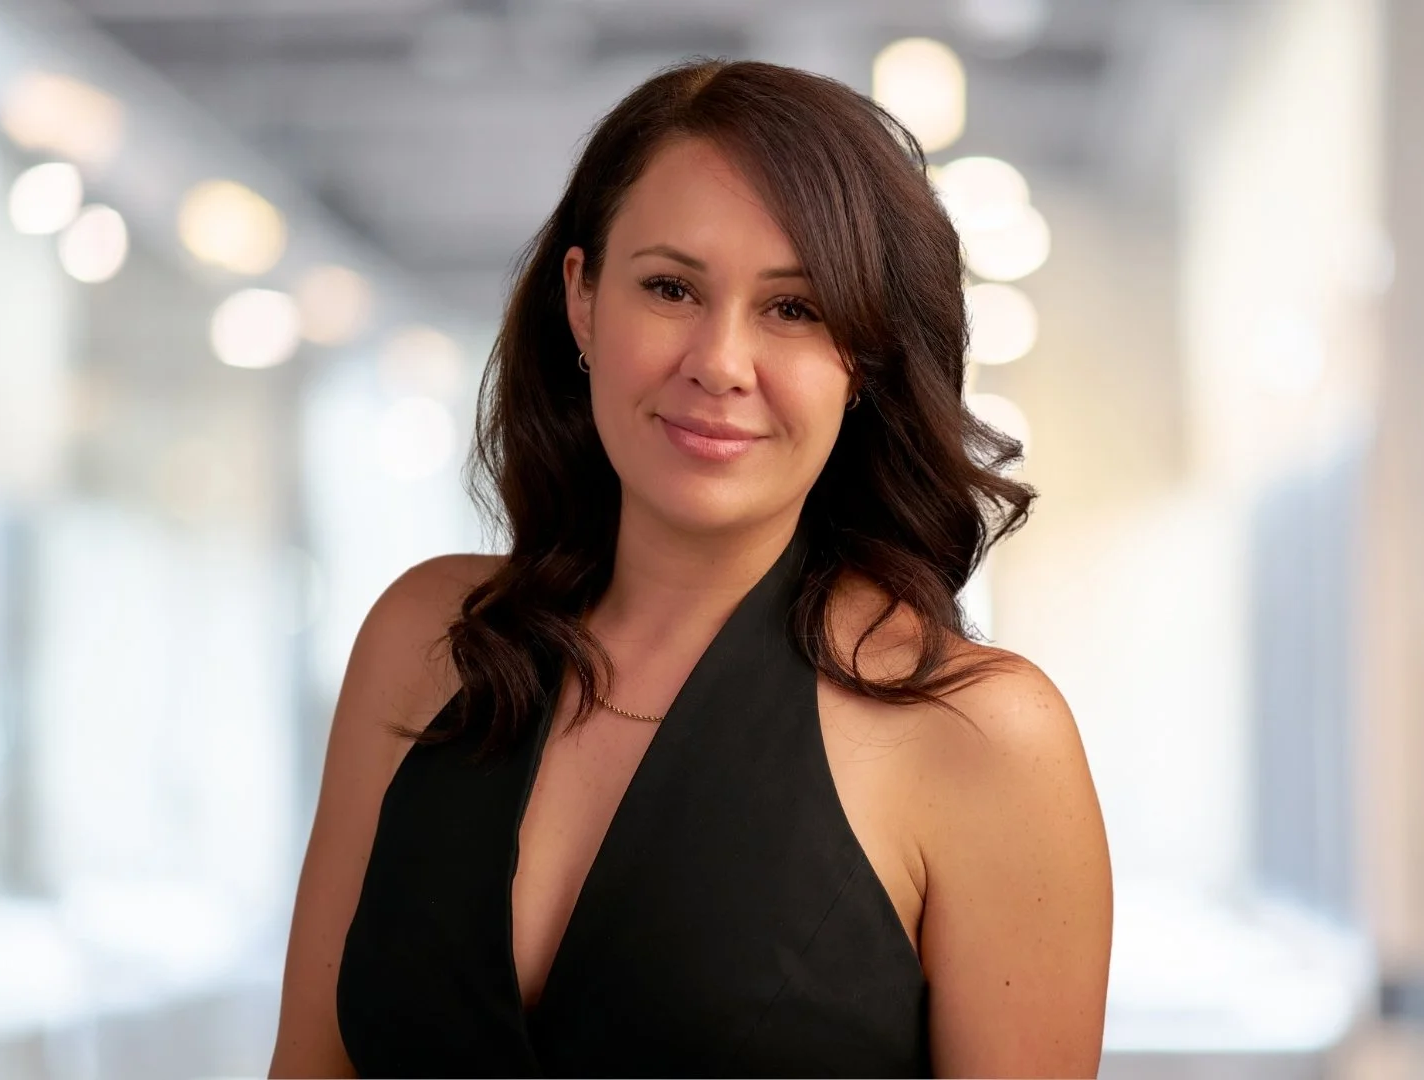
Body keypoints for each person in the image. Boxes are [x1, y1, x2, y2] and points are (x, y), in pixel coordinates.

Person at [270, 57, 1112, 1079]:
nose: (719, 362)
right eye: (670, 288)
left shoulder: (978, 735)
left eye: (794, 309)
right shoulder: (426, 640)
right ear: (582, 301)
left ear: (870, 358)